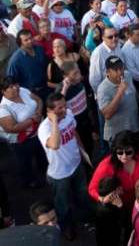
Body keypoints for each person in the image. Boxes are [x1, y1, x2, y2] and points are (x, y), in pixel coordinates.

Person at [38, 93, 91, 240]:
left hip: (76, 164)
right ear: (50, 110)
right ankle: (66, 227)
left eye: (64, 105)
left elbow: (73, 132)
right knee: (63, 204)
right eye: (59, 107)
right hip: (59, 174)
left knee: (82, 195)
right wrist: (54, 121)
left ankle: (86, 218)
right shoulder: (44, 128)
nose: (64, 109)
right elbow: (54, 144)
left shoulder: (67, 114)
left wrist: (82, 151)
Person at [0, 78, 46, 188]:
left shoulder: (23, 90)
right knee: (24, 162)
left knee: (41, 154)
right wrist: (32, 120)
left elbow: (39, 101)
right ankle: (29, 181)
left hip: (38, 133)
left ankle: (44, 171)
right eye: (11, 86)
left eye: (16, 84)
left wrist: (38, 111)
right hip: (22, 141)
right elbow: (11, 128)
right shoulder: (4, 110)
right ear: (3, 91)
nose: (16, 87)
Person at [97, 55, 139, 143]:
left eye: (121, 68)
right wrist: (119, 93)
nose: (120, 72)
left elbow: (134, 90)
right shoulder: (102, 89)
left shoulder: (127, 75)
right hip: (118, 135)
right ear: (108, 72)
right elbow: (107, 114)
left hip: (133, 126)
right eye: (116, 70)